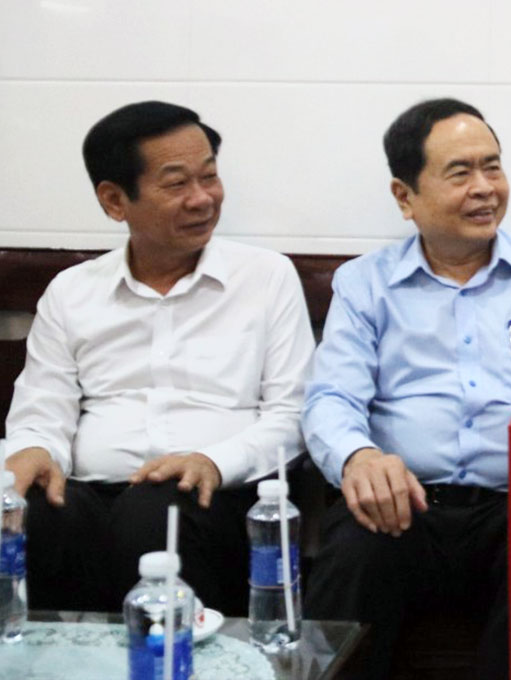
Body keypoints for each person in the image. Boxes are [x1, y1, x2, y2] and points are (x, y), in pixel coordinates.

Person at [302, 97, 511, 680]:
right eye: (460, 172)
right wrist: (359, 455)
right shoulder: (364, 284)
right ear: (405, 197)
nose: (485, 188)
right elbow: (331, 399)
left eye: (492, 167)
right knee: (353, 556)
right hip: (403, 508)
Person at [2, 101, 314, 616]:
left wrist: (213, 461)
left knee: (153, 510)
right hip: (88, 494)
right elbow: (43, 408)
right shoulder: (73, 292)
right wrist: (35, 448)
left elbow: (292, 415)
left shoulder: (265, 278)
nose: (202, 199)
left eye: (209, 177)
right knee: (36, 511)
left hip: (211, 502)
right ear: (114, 200)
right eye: (176, 184)